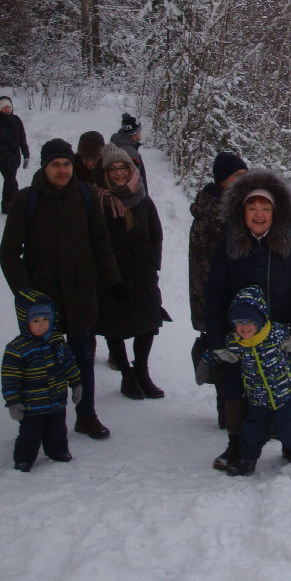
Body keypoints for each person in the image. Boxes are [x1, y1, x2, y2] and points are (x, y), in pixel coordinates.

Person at [0, 137, 122, 441]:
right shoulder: (26, 200)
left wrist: (114, 281)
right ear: (45, 166)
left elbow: (100, 241)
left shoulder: (86, 194)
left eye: (67, 164)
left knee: (82, 355)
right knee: (41, 363)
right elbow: (9, 252)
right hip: (43, 298)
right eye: (56, 165)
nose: (63, 170)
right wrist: (26, 295)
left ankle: (87, 415)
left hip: (80, 291)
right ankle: (42, 419)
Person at [203, 169, 291, 468]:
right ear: (242, 210)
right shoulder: (230, 242)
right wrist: (216, 340)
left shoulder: (289, 242)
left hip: (280, 335)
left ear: (275, 211)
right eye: (252, 207)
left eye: (265, 208)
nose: (259, 214)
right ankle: (237, 445)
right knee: (236, 392)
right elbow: (214, 292)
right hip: (239, 334)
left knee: (285, 387)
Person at [209, 286, 291, 476]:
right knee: (252, 431)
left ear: (260, 319)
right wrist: (207, 362)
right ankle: (247, 460)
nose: (244, 327)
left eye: (249, 321)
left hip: (286, 393)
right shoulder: (235, 342)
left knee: (287, 430)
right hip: (258, 397)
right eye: (238, 322)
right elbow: (219, 354)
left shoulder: (276, 334)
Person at [94, 143, 165, 400]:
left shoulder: (143, 200)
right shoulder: (98, 201)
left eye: (123, 167)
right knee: (115, 325)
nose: (119, 173)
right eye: (113, 169)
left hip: (143, 273)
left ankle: (142, 372)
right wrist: (108, 275)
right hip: (111, 277)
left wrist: (153, 265)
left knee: (148, 324)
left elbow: (156, 235)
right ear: (105, 172)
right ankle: (127, 375)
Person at [189, 151, 249, 428]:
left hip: (217, 298)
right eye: (236, 175)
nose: (242, 179)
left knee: (230, 356)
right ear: (222, 179)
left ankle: (229, 415)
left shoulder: (219, 206)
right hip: (217, 299)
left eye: (243, 174)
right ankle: (231, 416)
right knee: (228, 358)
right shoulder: (218, 213)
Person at [1, 291, 81, 472]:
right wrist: (13, 402)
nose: (41, 325)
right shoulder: (17, 349)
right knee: (30, 434)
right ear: (25, 322)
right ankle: (24, 459)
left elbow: (69, 364)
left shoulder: (58, 341)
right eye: (36, 321)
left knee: (58, 431)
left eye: (45, 320)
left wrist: (76, 383)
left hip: (57, 401)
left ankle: (58, 452)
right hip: (32, 406)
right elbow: (10, 378)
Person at [0, 95, 30, 213]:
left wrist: (26, 155)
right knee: (11, 180)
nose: (6, 109)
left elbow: (22, 139)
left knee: (9, 180)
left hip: (15, 158)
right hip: (1, 158)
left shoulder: (16, 120)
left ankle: (6, 205)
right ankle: (18, 203)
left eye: (8, 107)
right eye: (4, 107)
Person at [111, 113, 147, 189]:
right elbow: (134, 184)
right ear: (135, 132)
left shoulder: (114, 146)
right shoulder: (131, 154)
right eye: (140, 130)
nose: (141, 132)